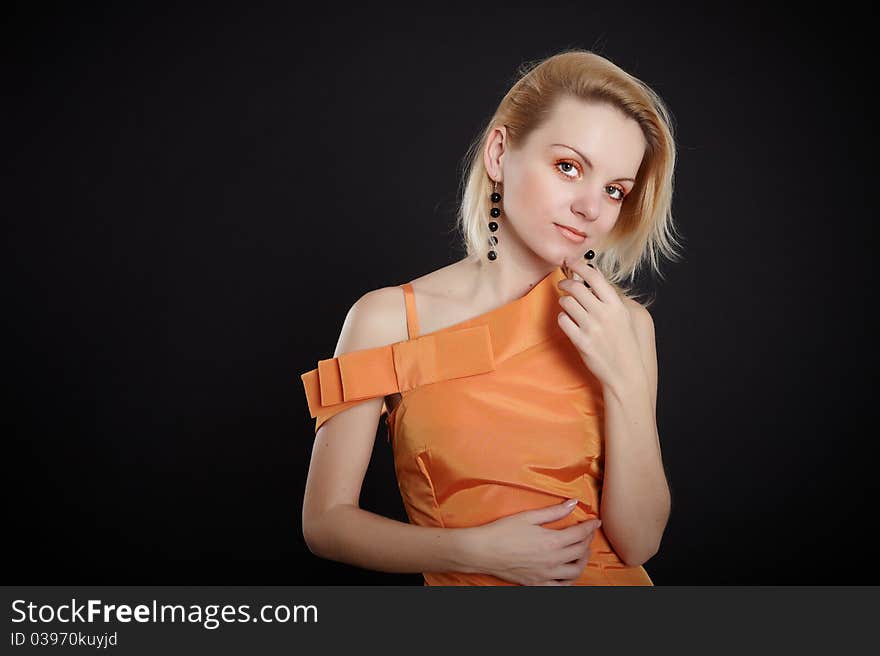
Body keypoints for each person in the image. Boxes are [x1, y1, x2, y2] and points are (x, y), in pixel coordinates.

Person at [300, 48, 683, 585]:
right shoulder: (386, 319)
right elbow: (325, 524)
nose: (591, 209)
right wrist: (473, 551)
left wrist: (621, 376)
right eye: (569, 167)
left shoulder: (626, 327)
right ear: (500, 153)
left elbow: (640, 540)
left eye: (614, 190)